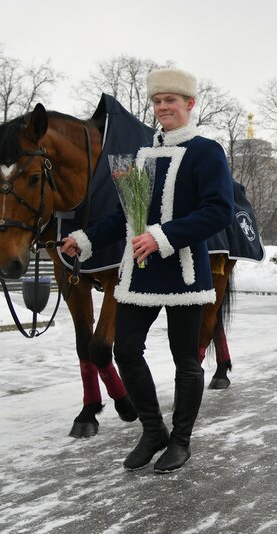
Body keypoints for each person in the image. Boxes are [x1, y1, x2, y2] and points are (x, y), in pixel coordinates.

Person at [60, 68, 234, 474]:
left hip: (185, 274)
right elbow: (126, 214)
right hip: (139, 273)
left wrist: (162, 236)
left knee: (185, 359)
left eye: (170, 101)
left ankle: (181, 440)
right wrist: (84, 239)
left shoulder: (206, 151)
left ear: (190, 104)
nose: (162, 108)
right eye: (157, 102)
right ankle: (153, 431)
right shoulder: (141, 155)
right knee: (125, 350)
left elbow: (218, 211)